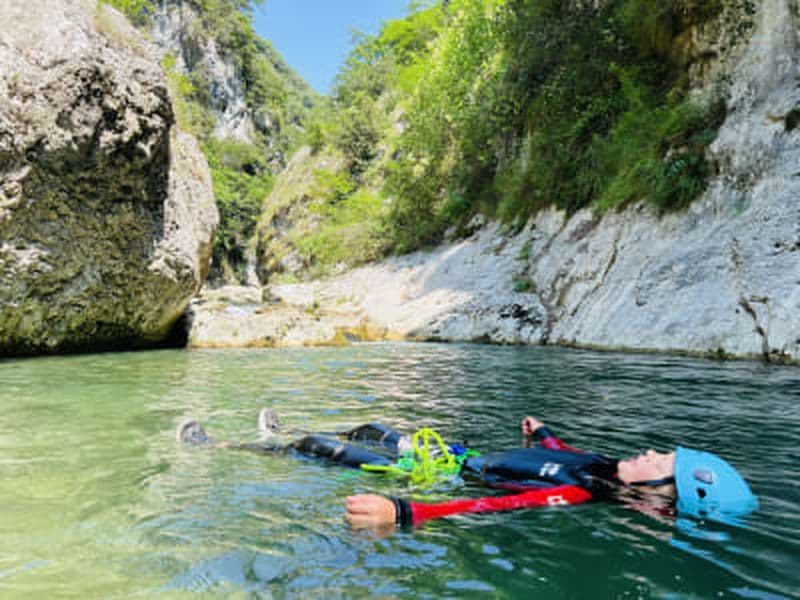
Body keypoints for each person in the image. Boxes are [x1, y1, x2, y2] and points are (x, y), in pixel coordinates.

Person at [177, 412, 758, 531]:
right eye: (661, 453)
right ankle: (275, 435)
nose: (650, 455)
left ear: (660, 500)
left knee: (323, 449)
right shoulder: (601, 466)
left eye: (661, 465)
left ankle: (218, 447)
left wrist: (404, 512)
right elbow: (566, 448)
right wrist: (542, 433)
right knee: (368, 428)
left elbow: (493, 505)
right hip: (450, 451)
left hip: (435, 476)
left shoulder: (577, 496)